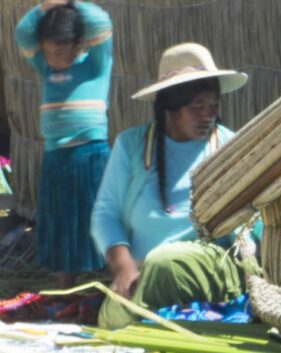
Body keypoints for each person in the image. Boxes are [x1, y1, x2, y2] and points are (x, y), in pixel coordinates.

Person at [91, 43, 259, 329]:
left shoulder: (229, 147)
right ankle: (142, 315)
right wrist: (123, 266)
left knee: (165, 264)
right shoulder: (132, 146)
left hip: (211, 271)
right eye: (196, 107)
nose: (207, 115)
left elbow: (254, 222)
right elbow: (106, 213)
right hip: (145, 279)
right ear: (170, 107)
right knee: (113, 320)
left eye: (213, 106)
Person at [15, 0, 112, 289]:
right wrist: (45, 7)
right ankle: (65, 287)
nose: (53, 59)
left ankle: (113, 280)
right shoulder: (45, 68)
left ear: (78, 43)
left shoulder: (96, 63)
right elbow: (22, 33)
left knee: (98, 218)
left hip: (90, 154)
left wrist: (71, 3)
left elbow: (101, 22)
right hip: (56, 156)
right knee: (61, 219)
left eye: (59, 52)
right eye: (47, 52)